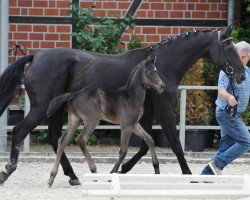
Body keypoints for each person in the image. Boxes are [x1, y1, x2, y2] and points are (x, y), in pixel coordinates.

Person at [201, 41, 250, 175]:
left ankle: (204, 176)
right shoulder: (228, 70)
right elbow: (221, 90)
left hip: (236, 114)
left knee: (225, 147)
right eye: (237, 56)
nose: (240, 60)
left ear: (248, 57)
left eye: (243, 57)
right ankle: (218, 164)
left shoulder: (248, 72)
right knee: (246, 141)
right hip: (226, 113)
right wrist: (229, 98)